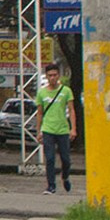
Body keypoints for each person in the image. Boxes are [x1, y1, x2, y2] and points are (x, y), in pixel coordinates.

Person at [34, 63, 79, 194]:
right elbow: (40, 113)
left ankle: (65, 176)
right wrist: (38, 131)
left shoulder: (66, 91)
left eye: (54, 75)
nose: (52, 78)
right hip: (48, 129)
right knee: (50, 158)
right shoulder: (42, 93)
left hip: (63, 129)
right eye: (50, 76)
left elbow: (71, 110)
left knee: (66, 159)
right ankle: (51, 185)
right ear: (46, 77)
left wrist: (73, 128)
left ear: (58, 75)